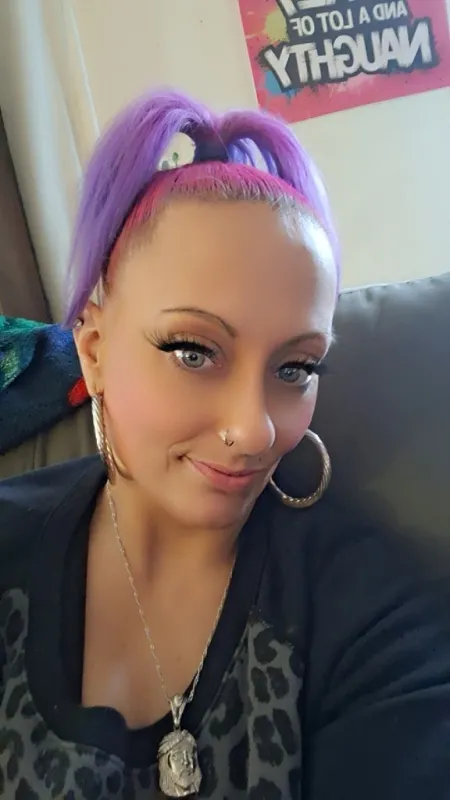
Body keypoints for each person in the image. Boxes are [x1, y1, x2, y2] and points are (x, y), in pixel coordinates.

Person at [1, 89, 450, 800]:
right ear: (94, 350)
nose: (254, 429)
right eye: (193, 351)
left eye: (295, 368)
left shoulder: (370, 615)